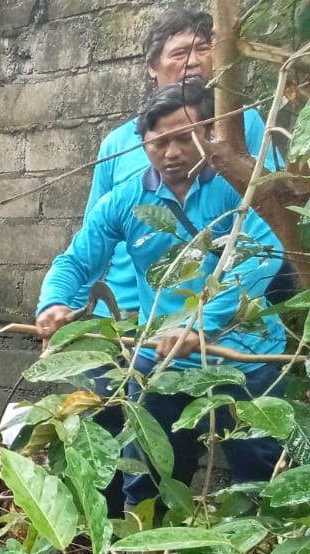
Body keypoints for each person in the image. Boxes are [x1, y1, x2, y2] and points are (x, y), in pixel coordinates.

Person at [35, 80, 286, 511]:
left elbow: (264, 254)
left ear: (209, 134)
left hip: (248, 356)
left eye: (185, 138)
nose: (172, 153)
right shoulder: (127, 200)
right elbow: (77, 261)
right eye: (159, 142)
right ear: (142, 143)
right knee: (152, 475)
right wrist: (54, 303)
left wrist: (202, 322)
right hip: (162, 358)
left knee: (259, 475)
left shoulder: (238, 187)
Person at [82, 10, 275, 324]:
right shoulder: (118, 143)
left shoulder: (240, 122)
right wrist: (71, 309)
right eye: (180, 53)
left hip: (205, 314)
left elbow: (271, 212)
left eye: (203, 49)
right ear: (151, 67)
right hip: (119, 313)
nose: (194, 62)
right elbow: (92, 239)